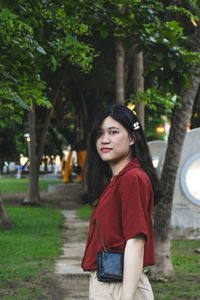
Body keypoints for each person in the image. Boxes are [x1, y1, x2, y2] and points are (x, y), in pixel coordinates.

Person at [81, 104, 161, 300]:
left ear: (132, 138)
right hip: (108, 282)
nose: (104, 140)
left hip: (119, 287)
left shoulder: (132, 178)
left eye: (113, 132)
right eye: (99, 133)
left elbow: (136, 241)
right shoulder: (116, 180)